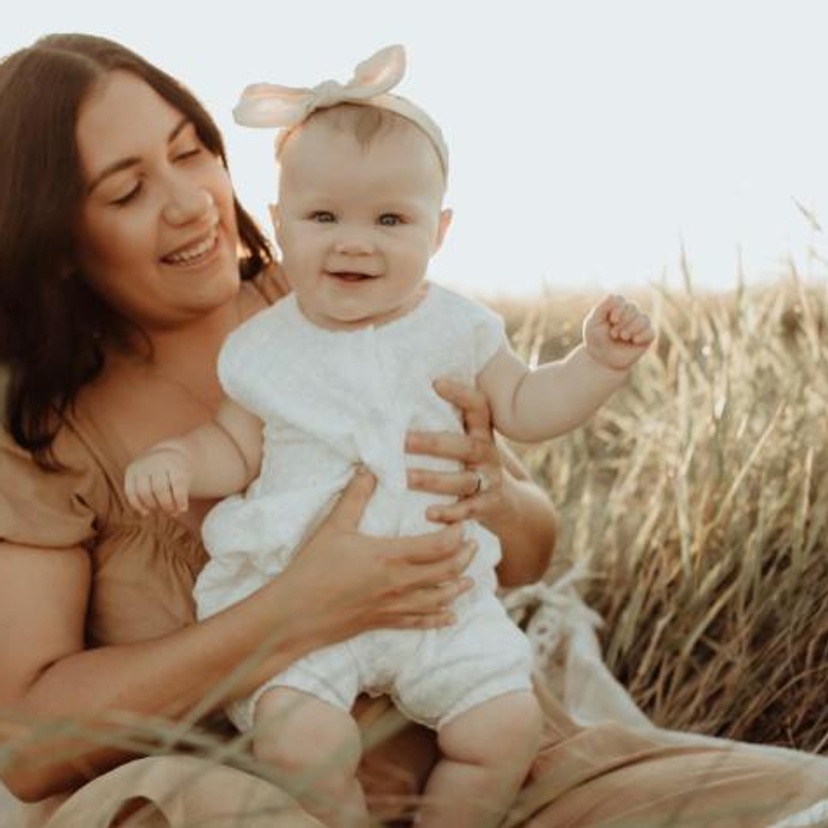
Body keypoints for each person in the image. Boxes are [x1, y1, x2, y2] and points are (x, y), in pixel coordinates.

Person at [0, 31, 826, 828]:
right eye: (126, 190)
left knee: (800, 798)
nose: (189, 204)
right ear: (58, 242)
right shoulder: (41, 426)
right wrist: (296, 608)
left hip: (488, 771)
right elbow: (30, 748)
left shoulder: (351, 283)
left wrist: (483, 483)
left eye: (190, 153)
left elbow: (529, 549)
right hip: (239, 795)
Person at [123, 44, 654, 828]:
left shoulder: (459, 330)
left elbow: (530, 407)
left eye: (390, 220)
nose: (355, 242)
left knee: (503, 725)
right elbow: (233, 447)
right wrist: (177, 460)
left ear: (438, 234)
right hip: (297, 595)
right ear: (279, 224)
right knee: (299, 735)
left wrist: (596, 363)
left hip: (436, 598)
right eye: (324, 216)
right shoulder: (266, 346)